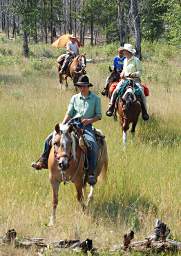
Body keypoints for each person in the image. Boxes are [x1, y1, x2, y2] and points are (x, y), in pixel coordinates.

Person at [32, 75, 102, 186]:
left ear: (88, 86)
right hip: (72, 124)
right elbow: (69, 113)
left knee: (92, 144)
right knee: (50, 138)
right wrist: (63, 124)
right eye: (80, 86)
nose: (82, 88)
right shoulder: (74, 98)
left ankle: (91, 172)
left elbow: (99, 116)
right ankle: (43, 160)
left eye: (84, 86)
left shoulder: (95, 99)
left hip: (86, 126)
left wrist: (88, 121)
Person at [106, 43, 149, 121]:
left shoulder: (136, 60)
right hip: (124, 80)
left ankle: (144, 111)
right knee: (116, 90)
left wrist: (133, 74)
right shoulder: (125, 60)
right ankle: (111, 107)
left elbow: (140, 72)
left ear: (128, 52)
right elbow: (124, 70)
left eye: (125, 51)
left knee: (141, 92)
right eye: (123, 51)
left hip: (134, 80)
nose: (123, 52)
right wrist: (122, 73)